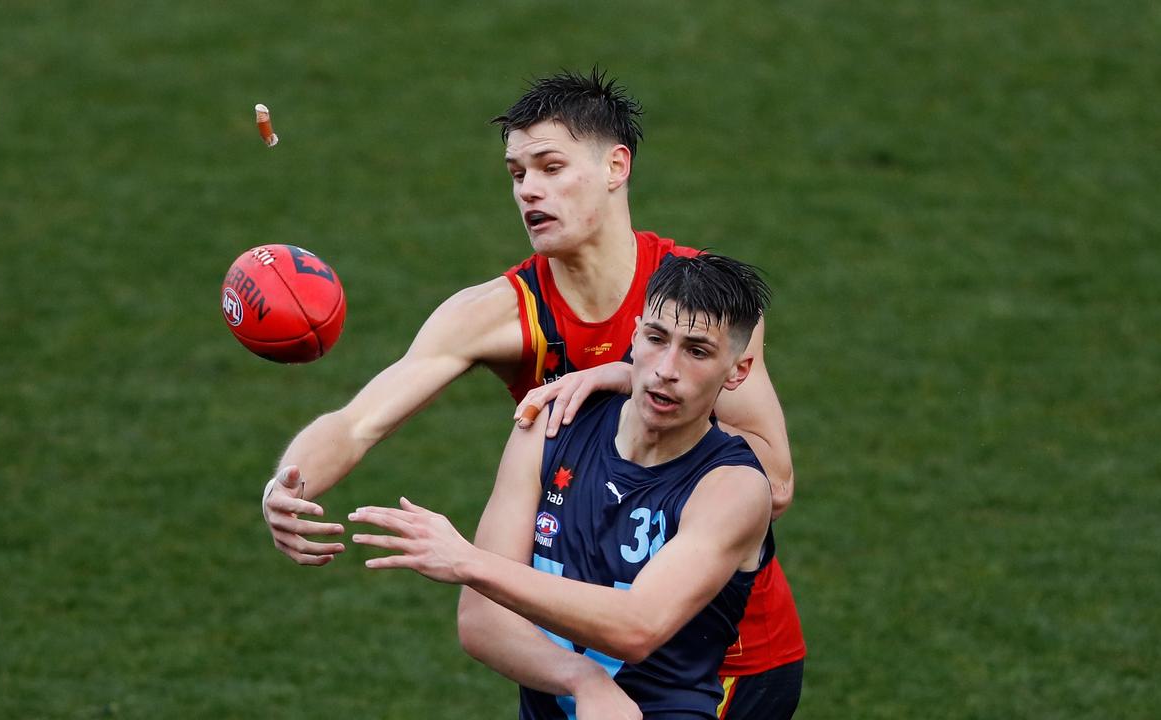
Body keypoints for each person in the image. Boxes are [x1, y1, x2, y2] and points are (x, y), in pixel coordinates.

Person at [260, 69, 803, 717]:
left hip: (720, 664)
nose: (530, 191)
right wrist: (288, 483)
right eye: (518, 174)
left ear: (616, 167)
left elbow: (771, 480)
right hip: (571, 647)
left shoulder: (700, 310)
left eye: (551, 167)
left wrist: (624, 375)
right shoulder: (497, 314)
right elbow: (357, 423)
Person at [351, 254, 776, 719]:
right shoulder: (551, 426)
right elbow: (481, 621)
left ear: (737, 371)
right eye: (656, 339)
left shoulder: (733, 489)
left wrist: (469, 561)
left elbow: (637, 626)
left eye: (697, 351)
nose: (665, 369)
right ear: (634, 336)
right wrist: (577, 677)